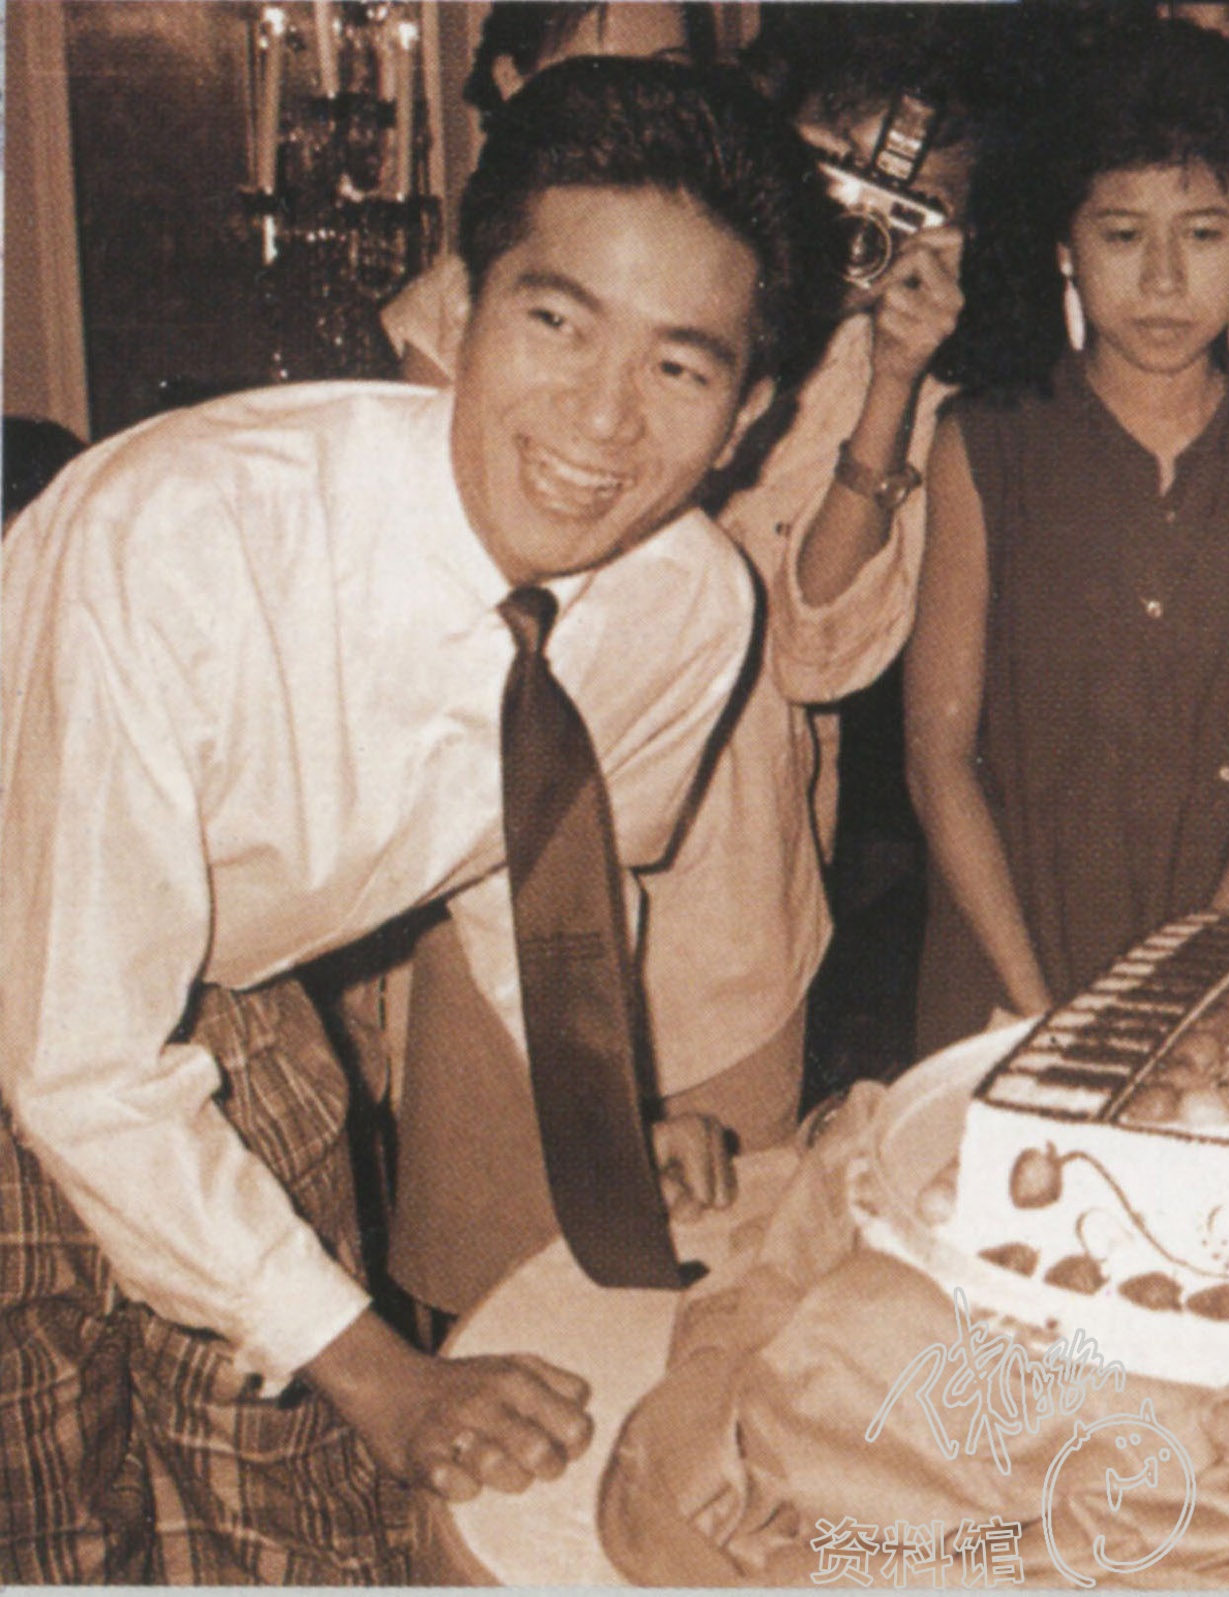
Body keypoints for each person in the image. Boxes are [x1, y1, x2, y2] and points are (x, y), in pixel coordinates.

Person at [0, 56, 842, 1579]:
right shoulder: (177, 538)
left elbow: (540, 870)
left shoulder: (690, 609)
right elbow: (78, 1059)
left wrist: (608, 1114)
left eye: (679, 368)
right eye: (556, 322)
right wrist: (380, 1370)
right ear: (456, 309)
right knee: (49, 1509)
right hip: (40, 949)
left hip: (218, 980)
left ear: (748, 415)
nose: (600, 418)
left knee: (315, 1527)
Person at [379, 17, 978, 1331]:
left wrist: (888, 380)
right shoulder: (582, 259)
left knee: (690, 1308)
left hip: (728, 888)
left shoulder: (896, 383)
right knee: (483, 1304)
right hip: (497, 844)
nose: (855, 222)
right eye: (833, 171)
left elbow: (818, 653)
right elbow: (419, 528)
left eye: (909, 206)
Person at [906, 20, 1229, 1052]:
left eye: (1201, 235)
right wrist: (1040, 1006)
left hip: (1227, 969)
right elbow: (939, 758)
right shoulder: (983, 443)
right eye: (1121, 235)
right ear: (1065, 248)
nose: (1161, 280)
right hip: (1008, 966)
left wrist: (1175, 994)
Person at [379, 2, 718, 388]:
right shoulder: (457, 301)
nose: (636, 107)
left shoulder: (726, 281)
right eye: (596, 74)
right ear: (513, 83)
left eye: (665, 71)